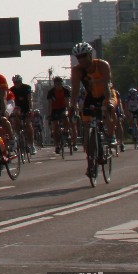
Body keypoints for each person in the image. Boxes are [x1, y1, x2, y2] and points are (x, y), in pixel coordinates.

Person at [69, 42, 116, 180]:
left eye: (84, 56)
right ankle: (91, 162)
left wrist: (107, 102)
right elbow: (75, 90)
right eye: (78, 57)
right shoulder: (77, 70)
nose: (81, 59)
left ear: (90, 55)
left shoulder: (102, 65)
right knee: (87, 125)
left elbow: (107, 84)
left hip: (106, 94)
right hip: (91, 96)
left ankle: (111, 136)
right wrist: (73, 106)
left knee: (109, 108)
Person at [9, 74, 35, 154]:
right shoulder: (11, 90)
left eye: (18, 82)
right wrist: (9, 111)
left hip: (26, 108)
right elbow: (9, 102)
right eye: (15, 82)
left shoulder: (26, 88)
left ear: (21, 82)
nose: (16, 84)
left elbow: (30, 99)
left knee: (28, 124)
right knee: (15, 120)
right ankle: (18, 136)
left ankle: (32, 145)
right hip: (17, 108)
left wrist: (31, 109)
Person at [47, 77, 73, 152]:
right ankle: (57, 145)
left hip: (63, 108)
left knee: (65, 117)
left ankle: (66, 131)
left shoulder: (66, 91)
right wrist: (49, 115)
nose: (58, 85)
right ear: (54, 84)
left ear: (62, 84)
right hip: (54, 109)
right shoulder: (51, 92)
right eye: (57, 84)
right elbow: (49, 104)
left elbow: (67, 103)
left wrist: (69, 112)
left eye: (60, 84)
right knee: (55, 128)